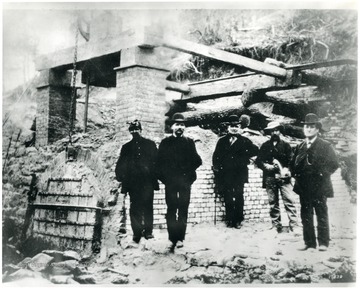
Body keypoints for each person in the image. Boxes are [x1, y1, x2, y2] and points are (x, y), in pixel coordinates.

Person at [290, 113, 339, 252]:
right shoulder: (300, 146)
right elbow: (292, 164)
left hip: (320, 186)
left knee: (321, 213)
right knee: (306, 215)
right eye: (306, 126)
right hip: (303, 187)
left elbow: (334, 164)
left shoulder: (325, 145)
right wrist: (293, 173)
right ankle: (309, 242)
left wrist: (322, 174)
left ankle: (323, 243)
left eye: (312, 127)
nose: (309, 129)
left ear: (317, 129)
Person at [156, 113, 202, 251]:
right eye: (177, 125)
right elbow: (158, 164)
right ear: (172, 127)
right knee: (171, 209)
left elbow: (197, 161)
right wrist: (166, 178)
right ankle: (171, 239)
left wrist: (188, 176)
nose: (180, 127)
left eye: (182, 125)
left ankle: (180, 238)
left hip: (184, 183)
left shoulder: (189, 142)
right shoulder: (165, 143)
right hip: (170, 183)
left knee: (183, 209)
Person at [115, 120, 159, 243]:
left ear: (141, 130)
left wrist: (156, 177)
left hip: (147, 183)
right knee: (135, 208)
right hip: (133, 184)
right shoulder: (126, 147)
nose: (135, 132)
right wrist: (121, 177)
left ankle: (148, 232)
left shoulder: (150, 145)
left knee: (148, 207)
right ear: (130, 132)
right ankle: (137, 233)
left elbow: (157, 162)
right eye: (132, 130)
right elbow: (121, 164)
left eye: (137, 129)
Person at [212, 114, 259, 229]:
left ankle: (238, 220)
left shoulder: (245, 141)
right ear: (228, 127)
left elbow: (256, 151)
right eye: (232, 126)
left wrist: (249, 159)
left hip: (239, 174)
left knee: (238, 196)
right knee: (228, 196)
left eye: (236, 126)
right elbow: (216, 156)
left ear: (239, 127)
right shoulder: (222, 141)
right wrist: (216, 168)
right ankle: (229, 219)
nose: (234, 128)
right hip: (226, 174)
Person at [256, 121, 298, 233]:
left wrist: (287, 170)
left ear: (280, 131)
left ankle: (294, 225)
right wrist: (266, 166)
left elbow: (292, 161)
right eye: (272, 131)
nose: (275, 132)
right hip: (270, 178)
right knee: (273, 203)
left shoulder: (286, 145)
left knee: (289, 201)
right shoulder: (265, 146)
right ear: (269, 132)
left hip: (284, 178)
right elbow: (258, 161)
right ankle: (276, 225)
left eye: (277, 130)